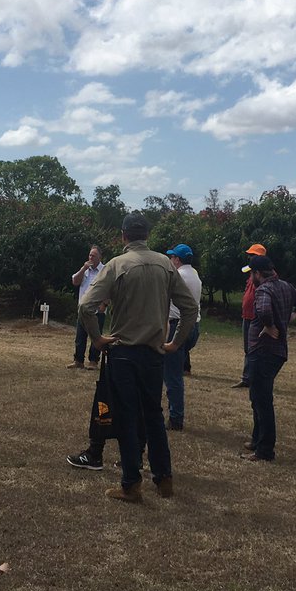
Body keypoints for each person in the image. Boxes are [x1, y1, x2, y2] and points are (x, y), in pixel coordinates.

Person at [79, 212, 198, 502]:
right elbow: (190, 309)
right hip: (154, 353)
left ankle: (131, 483)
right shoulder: (165, 265)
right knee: (154, 415)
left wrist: (96, 339)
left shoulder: (117, 265)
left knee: (128, 418)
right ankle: (164, 478)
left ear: (123, 236)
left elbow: (86, 307)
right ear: (147, 235)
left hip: (123, 352)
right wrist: (174, 344)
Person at [241, 254, 296, 462]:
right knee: (258, 396)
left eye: (251, 274)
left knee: (262, 401)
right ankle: (257, 439)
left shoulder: (264, 289)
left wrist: (270, 326)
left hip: (263, 350)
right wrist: (294, 315)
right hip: (277, 351)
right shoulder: (285, 286)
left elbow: (262, 309)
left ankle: (264, 450)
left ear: (256, 273)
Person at [164, 244, 202, 431]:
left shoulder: (178, 276)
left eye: (172, 258)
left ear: (177, 260)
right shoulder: (195, 275)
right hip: (193, 326)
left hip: (177, 325)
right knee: (175, 371)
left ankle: (175, 417)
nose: (171, 260)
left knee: (172, 375)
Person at [232, 243, 268, 388]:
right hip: (246, 316)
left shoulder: (265, 275)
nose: (249, 257)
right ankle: (247, 378)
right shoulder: (251, 272)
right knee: (248, 348)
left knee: (256, 349)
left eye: (252, 255)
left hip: (256, 317)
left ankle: (254, 378)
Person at [68, 246, 106, 370]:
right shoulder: (85, 270)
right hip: (83, 310)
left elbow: (111, 289)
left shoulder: (105, 270)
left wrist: (104, 304)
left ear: (100, 257)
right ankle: (78, 360)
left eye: (93, 255)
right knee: (80, 336)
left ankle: (94, 361)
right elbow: (75, 281)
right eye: (90, 255)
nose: (91, 257)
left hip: (97, 310)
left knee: (96, 336)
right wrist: (83, 268)